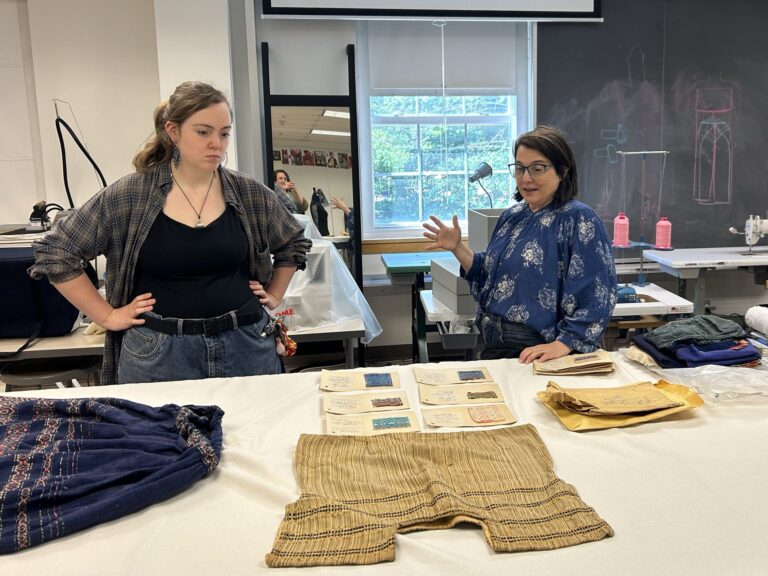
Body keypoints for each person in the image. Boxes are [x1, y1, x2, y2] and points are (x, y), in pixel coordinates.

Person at [30, 81, 312, 384]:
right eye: (203, 132)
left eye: (224, 133)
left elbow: (293, 241)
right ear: (173, 131)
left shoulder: (249, 193)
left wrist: (275, 293)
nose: (216, 144)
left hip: (246, 346)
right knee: (154, 420)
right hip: (159, 356)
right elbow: (56, 252)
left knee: (254, 418)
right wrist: (107, 316)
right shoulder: (130, 196)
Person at [423, 125, 617, 363]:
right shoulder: (512, 216)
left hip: (536, 347)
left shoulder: (579, 219)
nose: (526, 178)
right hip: (493, 340)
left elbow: (598, 293)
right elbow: (490, 274)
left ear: (562, 171)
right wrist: (457, 248)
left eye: (537, 168)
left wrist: (564, 343)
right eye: (520, 168)